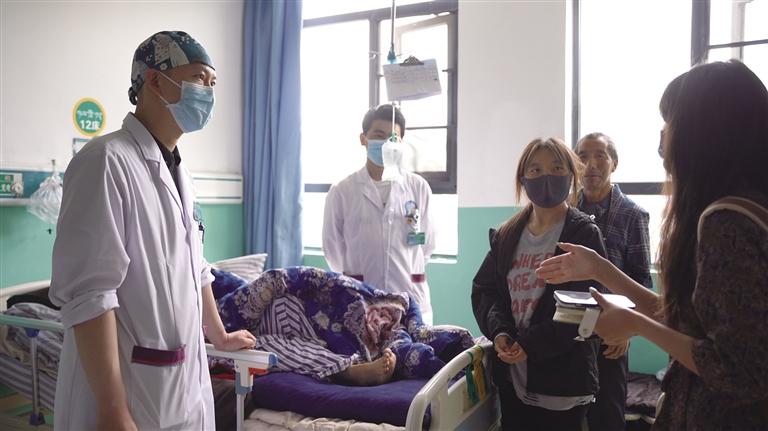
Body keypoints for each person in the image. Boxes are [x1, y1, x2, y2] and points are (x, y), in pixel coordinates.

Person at [537, 60, 768, 430]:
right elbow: (684, 319)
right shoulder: (740, 207)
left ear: (705, 132)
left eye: (670, 121)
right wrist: (600, 267)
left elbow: (740, 369)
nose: (662, 138)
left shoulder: (727, 223)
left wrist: (634, 324)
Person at [49, 31, 256, 430]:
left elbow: (196, 265)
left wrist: (219, 335)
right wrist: (112, 409)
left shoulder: (181, 172)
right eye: (197, 78)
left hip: (183, 381)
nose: (208, 92)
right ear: (155, 80)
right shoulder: (105, 161)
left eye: (212, 82)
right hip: (130, 390)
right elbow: (90, 296)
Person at [471, 137, 608, 431]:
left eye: (556, 168)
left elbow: (585, 308)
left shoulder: (583, 233)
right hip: (512, 377)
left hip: (563, 380)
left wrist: (530, 344)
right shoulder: (506, 235)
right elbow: (486, 292)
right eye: (535, 170)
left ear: (571, 175)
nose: (546, 176)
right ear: (522, 179)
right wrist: (500, 332)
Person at [323, 104, 436, 324]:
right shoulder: (342, 191)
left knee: (413, 345)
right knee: (365, 345)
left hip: (410, 298)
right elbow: (332, 249)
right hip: (360, 300)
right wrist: (355, 275)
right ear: (363, 139)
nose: (386, 143)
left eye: (393, 138)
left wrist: (406, 269)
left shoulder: (418, 188)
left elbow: (428, 243)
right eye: (378, 136)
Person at [576, 132, 653, 431]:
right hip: (569, 332)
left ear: (614, 164)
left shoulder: (633, 215)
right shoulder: (565, 211)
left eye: (600, 155)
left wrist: (628, 331)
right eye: (583, 156)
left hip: (613, 334)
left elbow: (641, 281)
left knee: (608, 416)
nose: (591, 164)